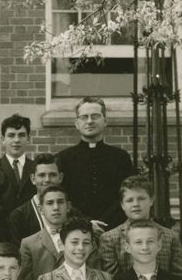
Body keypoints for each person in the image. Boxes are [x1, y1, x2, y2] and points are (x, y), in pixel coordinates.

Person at [56, 96, 135, 228]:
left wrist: (104, 223)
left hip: (114, 227)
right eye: (84, 117)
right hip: (75, 228)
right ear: (76, 123)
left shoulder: (120, 157)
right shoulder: (63, 158)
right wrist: (86, 222)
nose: (90, 121)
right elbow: (61, 196)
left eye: (95, 116)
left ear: (105, 121)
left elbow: (126, 194)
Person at [98, 176, 182, 278]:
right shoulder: (110, 239)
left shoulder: (171, 237)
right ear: (122, 205)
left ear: (151, 200)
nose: (136, 204)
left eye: (141, 199)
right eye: (129, 200)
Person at [7, 153, 83, 244]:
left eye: (53, 175)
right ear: (33, 179)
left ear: (60, 178)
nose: (47, 180)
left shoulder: (74, 213)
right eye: (42, 175)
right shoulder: (19, 216)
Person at [0, 113, 35, 235]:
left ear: (28, 138)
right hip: (3, 234)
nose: (16, 140)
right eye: (11, 135)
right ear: (2, 139)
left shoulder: (36, 169)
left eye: (21, 135)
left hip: (33, 233)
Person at [19, 185, 74, 280]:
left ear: (68, 207)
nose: (56, 207)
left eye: (60, 202)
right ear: (41, 209)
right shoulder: (28, 244)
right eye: (50, 203)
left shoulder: (83, 240)